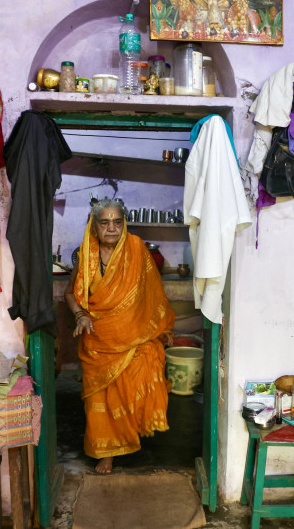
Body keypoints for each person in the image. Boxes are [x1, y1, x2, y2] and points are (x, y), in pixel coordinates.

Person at [65, 198, 175, 474]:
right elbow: (70, 293)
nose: (111, 228)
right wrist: (80, 315)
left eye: (117, 222)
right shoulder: (85, 255)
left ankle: (130, 434)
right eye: (105, 222)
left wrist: (159, 329)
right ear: (95, 226)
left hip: (131, 334)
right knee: (99, 401)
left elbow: (153, 297)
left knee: (144, 366)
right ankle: (107, 453)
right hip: (98, 339)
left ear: (124, 224)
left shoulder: (137, 250)